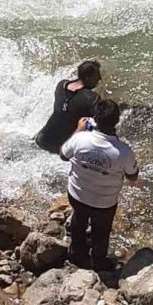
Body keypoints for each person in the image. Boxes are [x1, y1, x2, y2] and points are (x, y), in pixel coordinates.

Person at [60, 98, 139, 271]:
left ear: (95, 118)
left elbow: (63, 155)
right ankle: (99, 261)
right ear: (117, 121)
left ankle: (76, 253)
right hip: (104, 203)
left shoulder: (80, 139)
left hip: (76, 195)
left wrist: (78, 130)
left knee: (78, 219)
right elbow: (133, 176)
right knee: (101, 232)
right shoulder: (124, 151)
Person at [34, 60, 102, 154]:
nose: (100, 78)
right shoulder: (91, 98)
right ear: (87, 78)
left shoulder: (61, 85)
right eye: (97, 75)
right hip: (61, 149)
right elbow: (100, 122)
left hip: (41, 139)